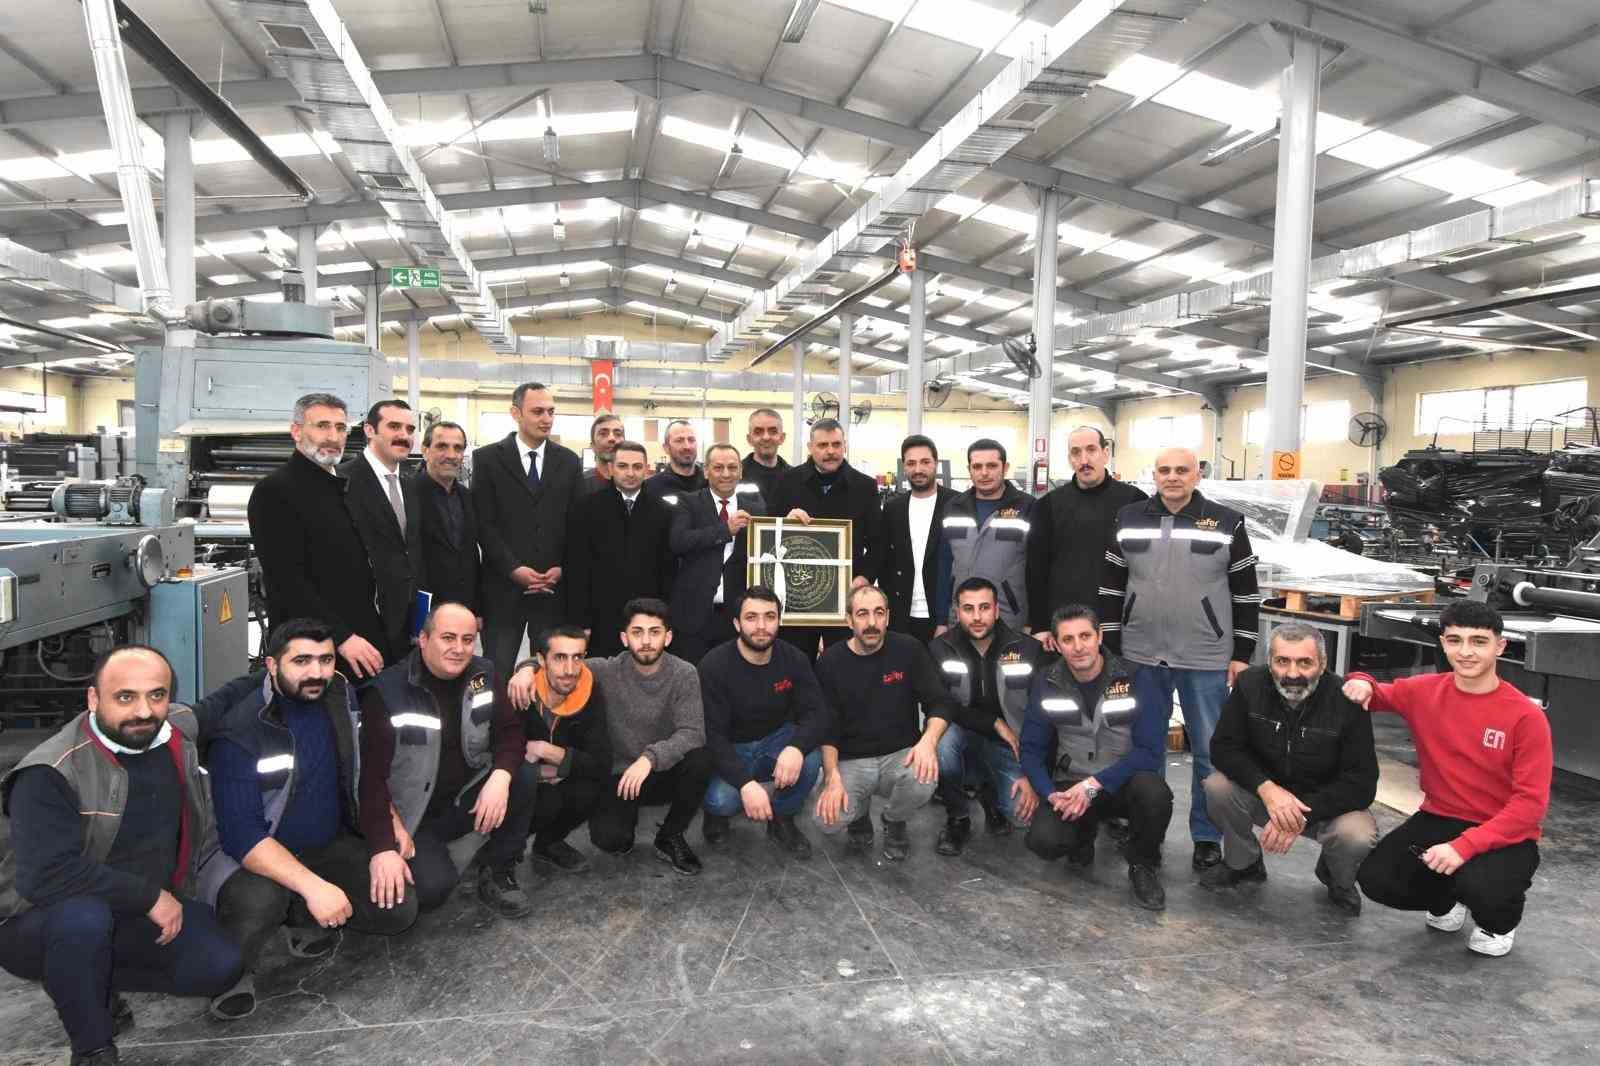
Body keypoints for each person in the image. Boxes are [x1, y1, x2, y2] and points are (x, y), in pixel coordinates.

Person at [0, 647, 241, 1064]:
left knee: (218, 965)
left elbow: (222, 701)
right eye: (125, 697)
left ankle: (88, 980)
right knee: (83, 921)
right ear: (93, 699)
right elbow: (45, 877)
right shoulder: (48, 772)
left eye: (156, 695)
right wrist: (150, 897)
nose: (143, 711)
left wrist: (280, 666)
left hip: (129, 910)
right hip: (39, 918)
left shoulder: (171, 732)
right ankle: (92, 1047)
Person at [202, 620, 417, 1021]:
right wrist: (314, 886)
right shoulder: (241, 728)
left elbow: (363, 770)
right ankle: (231, 970)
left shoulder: (340, 695)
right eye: (301, 661)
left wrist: (388, 829)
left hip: (324, 843)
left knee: (397, 909)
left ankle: (297, 916)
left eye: (325, 660)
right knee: (259, 900)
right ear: (271, 665)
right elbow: (242, 835)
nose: (316, 672)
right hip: (251, 856)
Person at [1344, 601, 1552, 957]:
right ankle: (1447, 898)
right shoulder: (1424, 691)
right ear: (1443, 643)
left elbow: (1529, 806)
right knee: (1377, 880)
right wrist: (1360, 681)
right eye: (1455, 640)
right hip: (1439, 817)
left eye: (1478, 641)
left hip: (1505, 829)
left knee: (1484, 889)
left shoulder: (1525, 717)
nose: (1465, 652)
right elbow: (1375, 692)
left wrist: (1462, 847)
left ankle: (1498, 923)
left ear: (1500, 646)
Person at [1101, 445, 1261, 871]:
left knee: (1209, 751)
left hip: (1205, 656)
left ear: (1197, 475)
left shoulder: (1226, 522)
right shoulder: (1128, 518)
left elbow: (1246, 592)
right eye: (1164, 470)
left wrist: (1242, 653)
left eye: (1182, 470)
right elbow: (1111, 586)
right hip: (1141, 653)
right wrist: (1113, 645)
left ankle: (1206, 837)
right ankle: (1146, 831)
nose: (1172, 477)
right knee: (1145, 749)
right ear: (1154, 475)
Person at [357, 603, 539, 919]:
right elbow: (369, 778)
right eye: (448, 638)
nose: (459, 649)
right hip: (414, 815)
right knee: (432, 891)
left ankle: (498, 868)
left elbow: (510, 732)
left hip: (464, 796)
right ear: (423, 639)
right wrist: (385, 840)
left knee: (522, 773)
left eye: (467, 640)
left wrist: (499, 778)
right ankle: (448, 854)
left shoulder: (484, 674)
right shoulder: (387, 693)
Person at [1202, 624, 1378, 916]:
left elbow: (1362, 783)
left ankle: (1336, 875)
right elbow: (1224, 748)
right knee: (1216, 787)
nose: (1292, 673)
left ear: (1322, 664)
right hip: (1266, 798)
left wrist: (1299, 813)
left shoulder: (1347, 701)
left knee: (1356, 834)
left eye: (1305, 662)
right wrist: (1266, 789)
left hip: (1324, 806)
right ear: (1269, 661)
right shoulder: (1249, 685)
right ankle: (1243, 863)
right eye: (1282, 661)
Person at [1020, 606, 1173, 911]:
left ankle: (1143, 864)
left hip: (1123, 783)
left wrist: (1094, 785)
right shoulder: (1045, 681)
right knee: (1043, 842)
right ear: (1056, 644)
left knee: (1155, 794)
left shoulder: (1137, 677)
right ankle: (1082, 835)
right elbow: (1031, 748)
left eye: (1085, 636)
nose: (1078, 647)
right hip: (1070, 784)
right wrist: (1050, 794)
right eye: (1068, 639)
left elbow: (1151, 750)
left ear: (1100, 636)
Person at [249, 392, 388, 681]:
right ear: (296, 431)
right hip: (310, 647)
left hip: (357, 640)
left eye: (340, 428)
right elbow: (288, 581)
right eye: (322, 426)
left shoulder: (341, 487)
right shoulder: (275, 491)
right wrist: (342, 637)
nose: (333, 437)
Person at [812, 585, 953, 861]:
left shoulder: (909, 649)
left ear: (888, 616)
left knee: (924, 777)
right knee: (827, 821)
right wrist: (831, 776)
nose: (872, 622)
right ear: (849, 620)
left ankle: (894, 820)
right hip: (851, 759)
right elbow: (826, 725)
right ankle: (859, 815)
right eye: (862, 614)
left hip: (899, 755)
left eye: (879, 613)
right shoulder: (831, 661)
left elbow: (940, 701)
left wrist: (928, 742)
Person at [582, 598, 713, 875]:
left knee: (701, 759)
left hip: (663, 771)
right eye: (637, 632)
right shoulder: (607, 670)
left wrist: (649, 758)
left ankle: (670, 835)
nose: (645, 641)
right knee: (610, 841)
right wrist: (526, 670)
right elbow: (560, 662)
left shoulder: (684, 673)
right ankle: (624, 822)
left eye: (654, 632)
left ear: (668, 637)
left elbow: (692, 732)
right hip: (621, 775)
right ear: (624, 638)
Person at [698, 587, 827, 858]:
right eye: (751, 617)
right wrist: (745, 783)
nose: (761, 626)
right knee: (719, 800)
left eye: (769, 616)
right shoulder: (713, 665)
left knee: (810, 759)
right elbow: (712, 735)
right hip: (732, 748)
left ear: (779, 620)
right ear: (737, 624)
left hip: (775, 740)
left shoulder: (794, 659)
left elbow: (816, 712)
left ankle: (782, 817)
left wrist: (796, 748)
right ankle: (717, 816)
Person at [929, 577, 1046, 855]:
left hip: (1009, 744)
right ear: (957, 612)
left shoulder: (1028, 649)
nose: (977, 617)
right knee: (940, 743)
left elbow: (1042, 718)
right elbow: (938, 704)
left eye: (984, 607)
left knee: (1022, 816)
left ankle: (989, 795)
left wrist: (1032, 774)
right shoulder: (940, 648)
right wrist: (993, 722)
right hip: (960, 735)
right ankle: (958, 817)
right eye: (968, 609)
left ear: (996, 610)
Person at [471, 382, 581, 677]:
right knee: (496, 669)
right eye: (537, 411)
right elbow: (484, 524)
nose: (546, 418)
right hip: (502, 588)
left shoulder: (569, 461)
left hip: (552, 588)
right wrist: (513, 569)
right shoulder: (487, 460)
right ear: (516, 413)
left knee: (550, 671)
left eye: (551, 412)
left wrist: (562, 567)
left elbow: (575, 524)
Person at [767, 418, 884, 658]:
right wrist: (784, 523)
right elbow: (767, 537)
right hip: (797, 598)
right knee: (795, 661)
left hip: (844, 597)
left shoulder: (865, 487)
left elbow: (878, 543)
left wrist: (863, 578)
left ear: (845, 446)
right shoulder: (786, 482)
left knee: (843, 664)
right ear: (810, 447)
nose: (830, 451)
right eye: (822, 445)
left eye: (836, 444)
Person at [1026, 426, 1147, 644]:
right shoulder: (1047, 506)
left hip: (1118, 624)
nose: (1084, 460)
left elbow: (1146, 568)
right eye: (1076, 452)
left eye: (1091, 450)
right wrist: (1040, 624)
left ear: (1105, 453)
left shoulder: (1135, 502)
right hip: (1064, 627)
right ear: (1069, 459)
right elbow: (1036, 570)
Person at [514, 625, 612, 874]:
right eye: (559, 657)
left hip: (557, 774)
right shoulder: (519, 691)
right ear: (541, 660)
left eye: (577, 657)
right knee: (539, 800)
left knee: (590, 790)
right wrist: (540, 772)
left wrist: (545, 750)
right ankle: (496, 853)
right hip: (519, 781)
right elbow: (500, 758)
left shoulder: (590, 688)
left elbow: (602, 762)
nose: (570, 670)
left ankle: (548, 843)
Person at [564, 441, 675, 657]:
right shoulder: (586, 509)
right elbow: (577, 568)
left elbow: (668, 570)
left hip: (647, 616)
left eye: (637, 467)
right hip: (600, 615)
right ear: (611, 468)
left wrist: (663, 617)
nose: (630, 473)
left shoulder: (664, 512)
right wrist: (580, 621)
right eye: (623, 466)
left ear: (647, 469)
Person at [339, 399, 426, 662]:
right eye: (394, 426)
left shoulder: (411, 485)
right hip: (362, 623)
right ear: (369, 430)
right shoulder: (342, 482)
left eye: (410, 429)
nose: (404, 436)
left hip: (407, 622)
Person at [667, 443, 767, 663]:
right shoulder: (688, 502)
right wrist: (725, 530)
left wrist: (793, 519)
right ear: (706, 471)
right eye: (718, 467)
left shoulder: (756, 509)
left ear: (740, 471)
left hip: (737, 615)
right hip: (694, 614)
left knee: (733, 676)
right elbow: (679, 541)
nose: (726, 474)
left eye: (732, 467)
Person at [936, 439, 1035, 632]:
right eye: (977, 466)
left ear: (1005, 467)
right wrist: (941, 621)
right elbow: (944, 566)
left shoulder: (1027, 507)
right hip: (961, 618)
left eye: (991, 466)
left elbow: (1037, 570)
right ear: (969, 469)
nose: (984, 473)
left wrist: (1032, 622)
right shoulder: (953, 508)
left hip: (1010, 620)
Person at [880, 434, 956, 644]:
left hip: (944, 615)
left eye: (925, 462)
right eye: (911, 463)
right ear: (904, 467)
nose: (918, 469)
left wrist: (948, 617)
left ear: (936, 464)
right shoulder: (893, 508)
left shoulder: (956, 504)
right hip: (901, 615)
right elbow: (884, 560)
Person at [416, 420, 479, 617]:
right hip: (424, 610)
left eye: (458, 448)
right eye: (442, 446)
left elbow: (471, 556)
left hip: (463, 608)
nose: (451, 455)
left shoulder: (468, 497)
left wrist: (476, 609)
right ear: (425, 450)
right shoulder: (407, 494)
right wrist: (420, 615)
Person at [643, 418, 706, 504]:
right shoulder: (650, 488)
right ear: (666, 448)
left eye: (691, 440)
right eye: (679, 441)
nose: (687, 446)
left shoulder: (711, 483)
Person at [742, 407, 790, 504]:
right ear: (749, 439)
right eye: (758, 432)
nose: (766, 437)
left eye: (773, 431)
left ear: (782, 438)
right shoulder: (735, 476)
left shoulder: (794, 477)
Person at [582, 413, 625, 495]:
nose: (612, 438)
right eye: (603, 433)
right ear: (592, 446)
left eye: (618, 434)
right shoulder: (579, 485)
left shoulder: (638, 486)